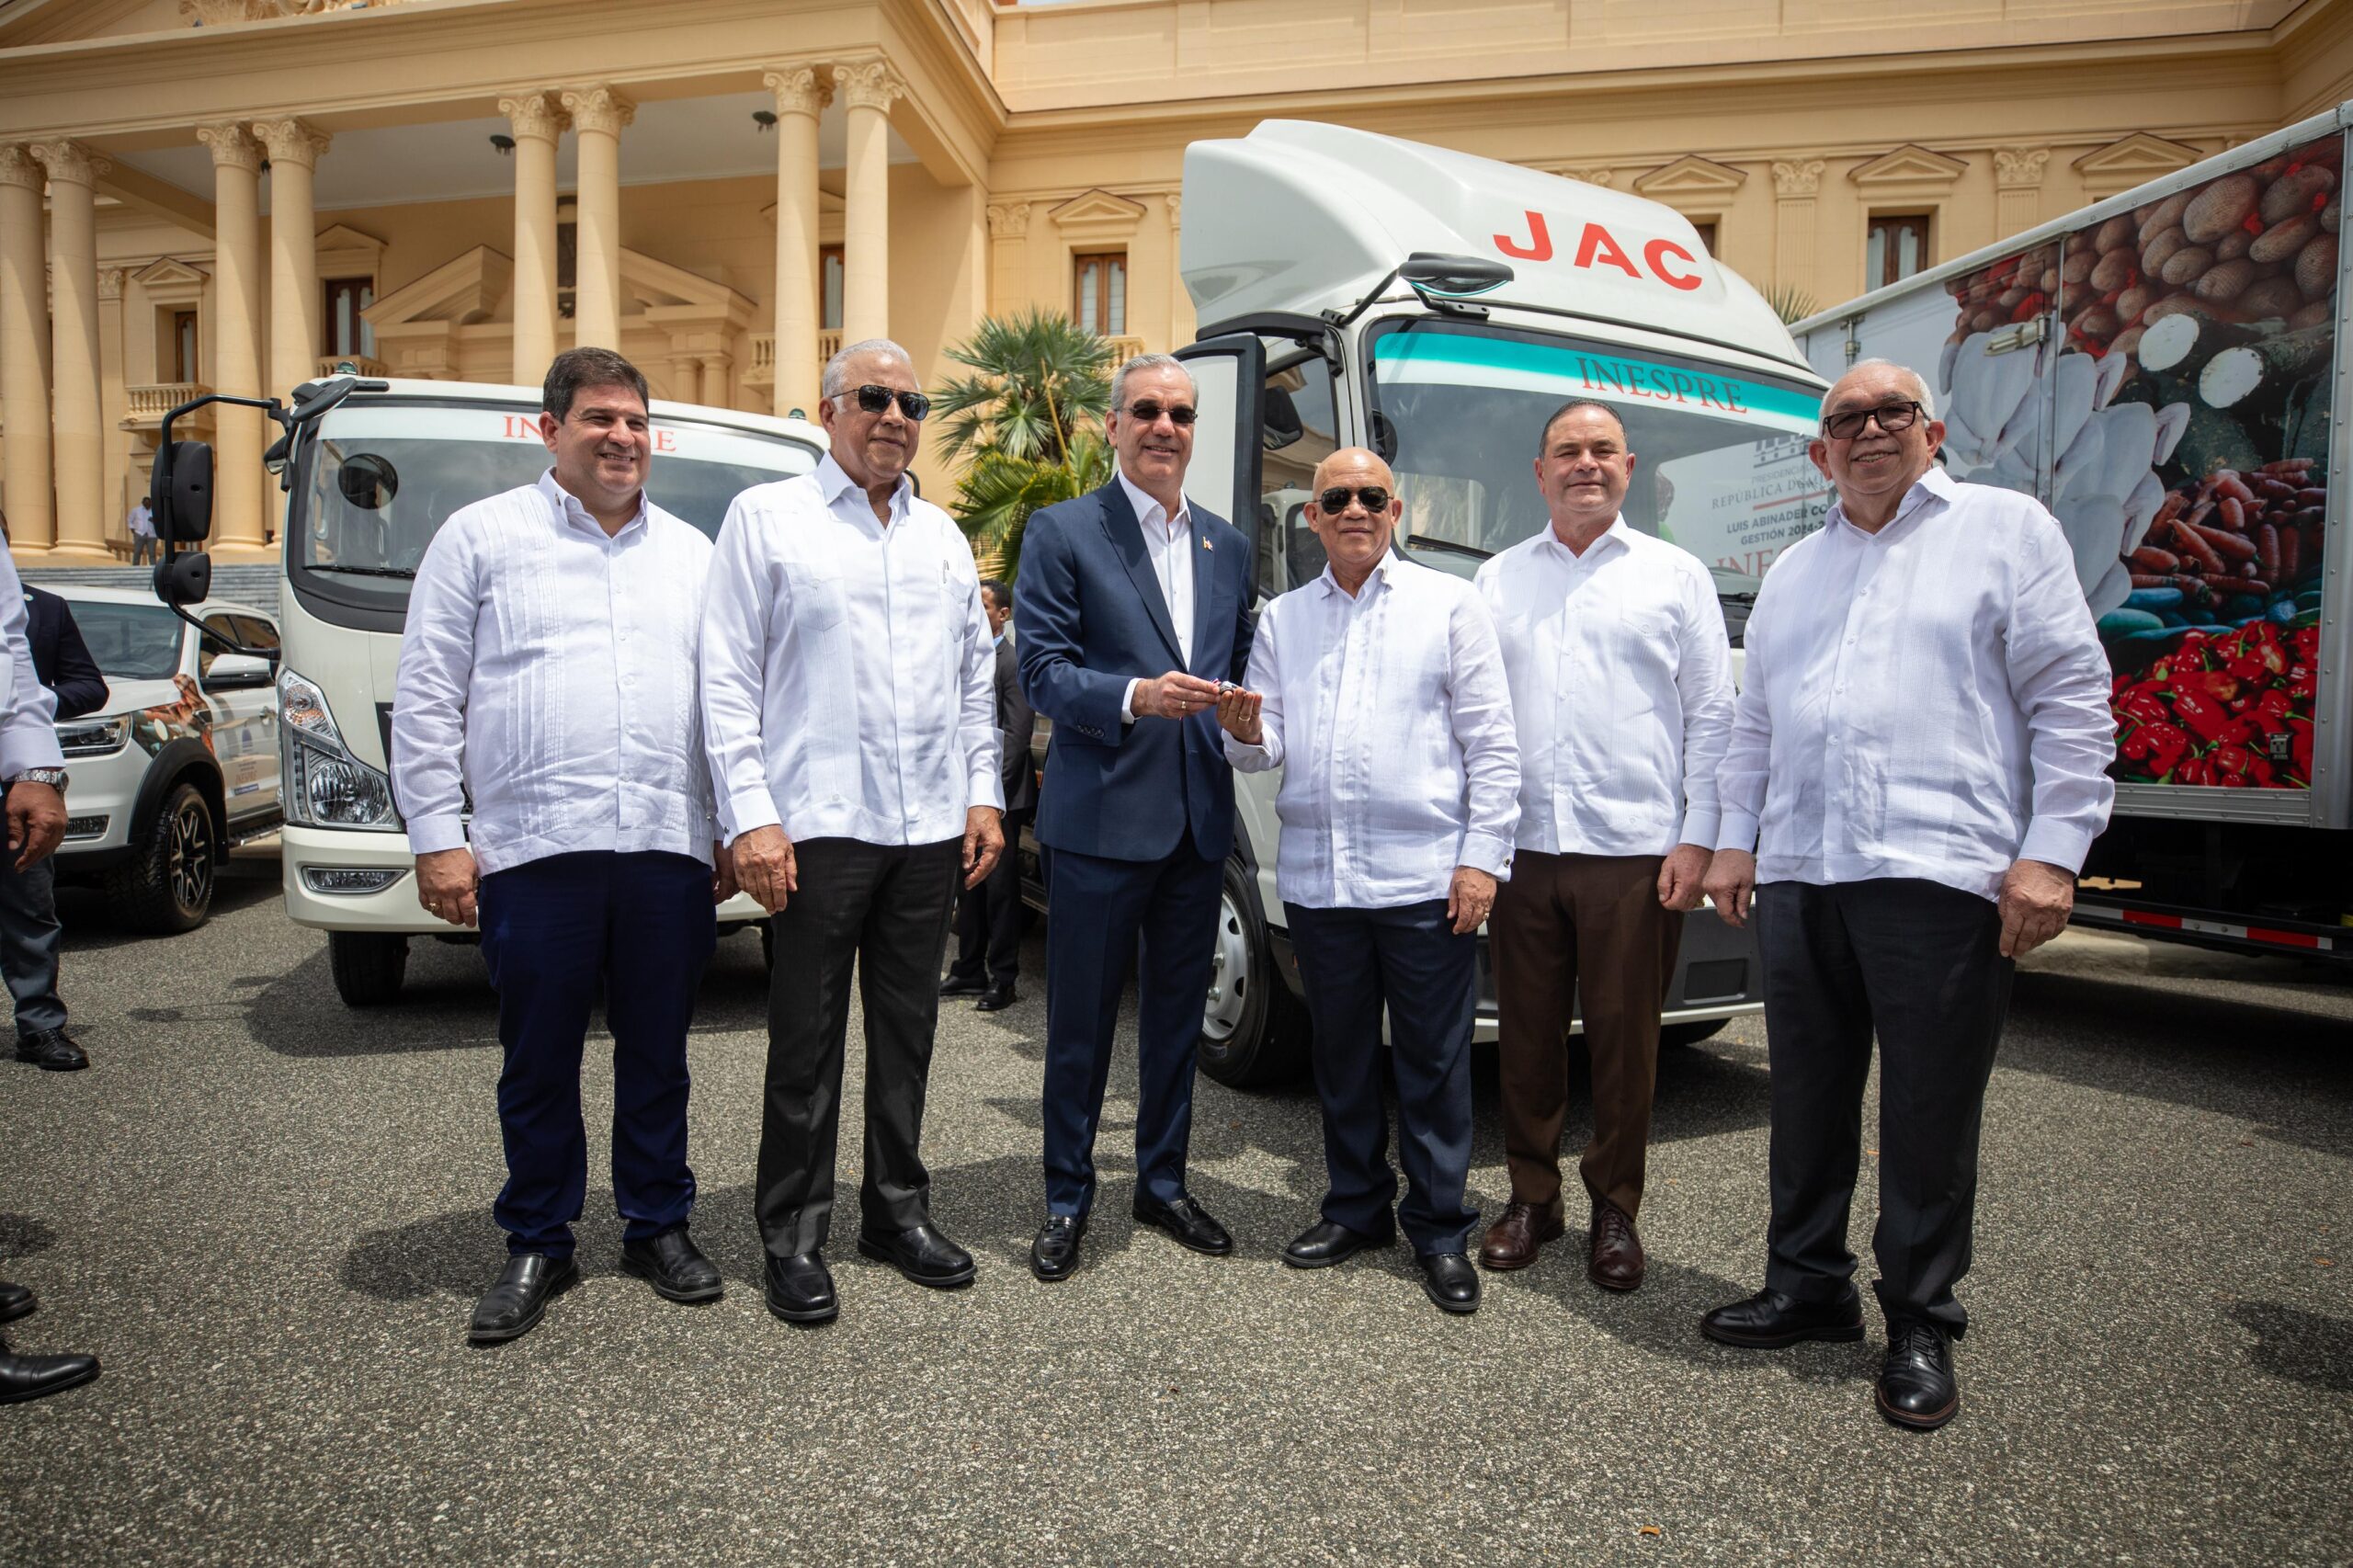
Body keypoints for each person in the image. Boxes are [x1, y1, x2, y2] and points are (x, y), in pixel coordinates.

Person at [1699, 360, 2115, 1432]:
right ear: (1819, 451)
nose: (1871, 429)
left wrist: (2053, 851)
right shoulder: (1795, 569)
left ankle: (1920, 1316)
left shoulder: (2004, 530)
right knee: (1806, 1096)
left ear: (1931, 432)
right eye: (1847, 417)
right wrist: (1736, 842)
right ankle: (1807, 1285)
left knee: (1928, 1111)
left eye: (1894, 411)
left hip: (1940, 872)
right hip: (1804, 870)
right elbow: (1756, 723)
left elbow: (2071, 693)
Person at [393, 347, 731, 1346]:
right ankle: (538, 1237)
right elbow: (428, 694)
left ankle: (657, 1223)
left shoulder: (693, 554)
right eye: (599, 419)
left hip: (665, 844)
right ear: (551, 430)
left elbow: (726, 701)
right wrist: (436, 837)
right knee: (537, 1057)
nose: (622, 437)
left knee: (659, 1052)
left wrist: (727, 822)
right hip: (536, 849)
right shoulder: (481, 537)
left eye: (635, 422)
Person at [702, 337, 1004, 1325]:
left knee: (909, 1034)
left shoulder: (941, 536)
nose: (895, 417)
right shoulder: (766, 518)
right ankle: (792, 1234)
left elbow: (973, 681)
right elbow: (726, 678)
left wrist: (983, 796)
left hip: (927, 828)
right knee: (808, 1038)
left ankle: (896, 1212)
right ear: (828, 409)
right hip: (819, 824)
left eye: (912, 402)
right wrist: (751, 817)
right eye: (873, 396)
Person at [1217, 448, 1518, 1315]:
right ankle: (1356, 1209)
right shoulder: (1284, 620)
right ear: (1310, 517)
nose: (1356, 509)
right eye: (1337, 498)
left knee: (1432, 1062)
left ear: (1396, 511)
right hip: (1322, 883)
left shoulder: (1449, 604)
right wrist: (1245, 731)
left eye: (1372, 497)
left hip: (1425, 880)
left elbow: (1493, 744)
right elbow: (1265, 746)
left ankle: (1439, 1229)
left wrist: (1482, 859)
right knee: (1342, 1058)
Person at [1472, 398, 1734, 1292]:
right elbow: (1473, 717)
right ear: (1539, 473)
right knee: (1525, 1037)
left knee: (1626, 1045)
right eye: (1567, 451)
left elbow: (1712, 715)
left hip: (1635, 855)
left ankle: (1615, 1209)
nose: (1584, 463)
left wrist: (1698, 837)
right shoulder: (1497, 580)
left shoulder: (1675, 575)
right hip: (1522, 851)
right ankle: (1532, 1198)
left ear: (1628, 467)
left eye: (1601, 450)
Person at [1015, 353, 1255, 1282]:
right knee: (1080, 1022)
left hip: (1198, 824)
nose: (1165, 427)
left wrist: (1249, 717)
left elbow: (1241, 670)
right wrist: (1135, 697)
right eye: (1147, 410)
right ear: (1112, 426)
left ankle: (1162, 1181)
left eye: (1181, 414)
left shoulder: (1227, 546)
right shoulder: (1064, 529)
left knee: (1176, 1020)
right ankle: (1066, 1194)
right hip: (1101, 823)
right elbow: (1042, 671)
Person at [0, 539, 95, 1403]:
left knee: (31, 918)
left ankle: (42, 1023)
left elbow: (9, 651)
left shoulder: (42, 603)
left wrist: (32, 762)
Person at [4, 576, 106, 1071]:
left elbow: (90, 686)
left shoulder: (43, 607)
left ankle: (39, 1026)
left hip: (16, 779)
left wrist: (33, 704)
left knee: (29, 908)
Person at [940, 577, 1035, 1013]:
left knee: (1000, 891)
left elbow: (1016, 735)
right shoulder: (966, 658)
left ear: (1003, 614)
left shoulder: (1010, 661)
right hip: (966, 796)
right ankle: (968, 968)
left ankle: (1004, 977)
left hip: (1000, 799)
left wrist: (991, 797)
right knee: (969, 886)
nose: (974, 613)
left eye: (984, 606)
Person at [127, 497, 157, 566]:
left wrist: (154, 520)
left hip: (152, 535)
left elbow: (160, 521)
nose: (147, 504)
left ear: (151, 503)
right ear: (142, 503)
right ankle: (135, 567)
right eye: (145, 502)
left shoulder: (155, 511)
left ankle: (153, 567)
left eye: (149, 503)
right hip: (139, 533)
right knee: (137, 552)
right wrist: (132, 528)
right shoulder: (136, 510)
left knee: (152, 553)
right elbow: (129, 520)